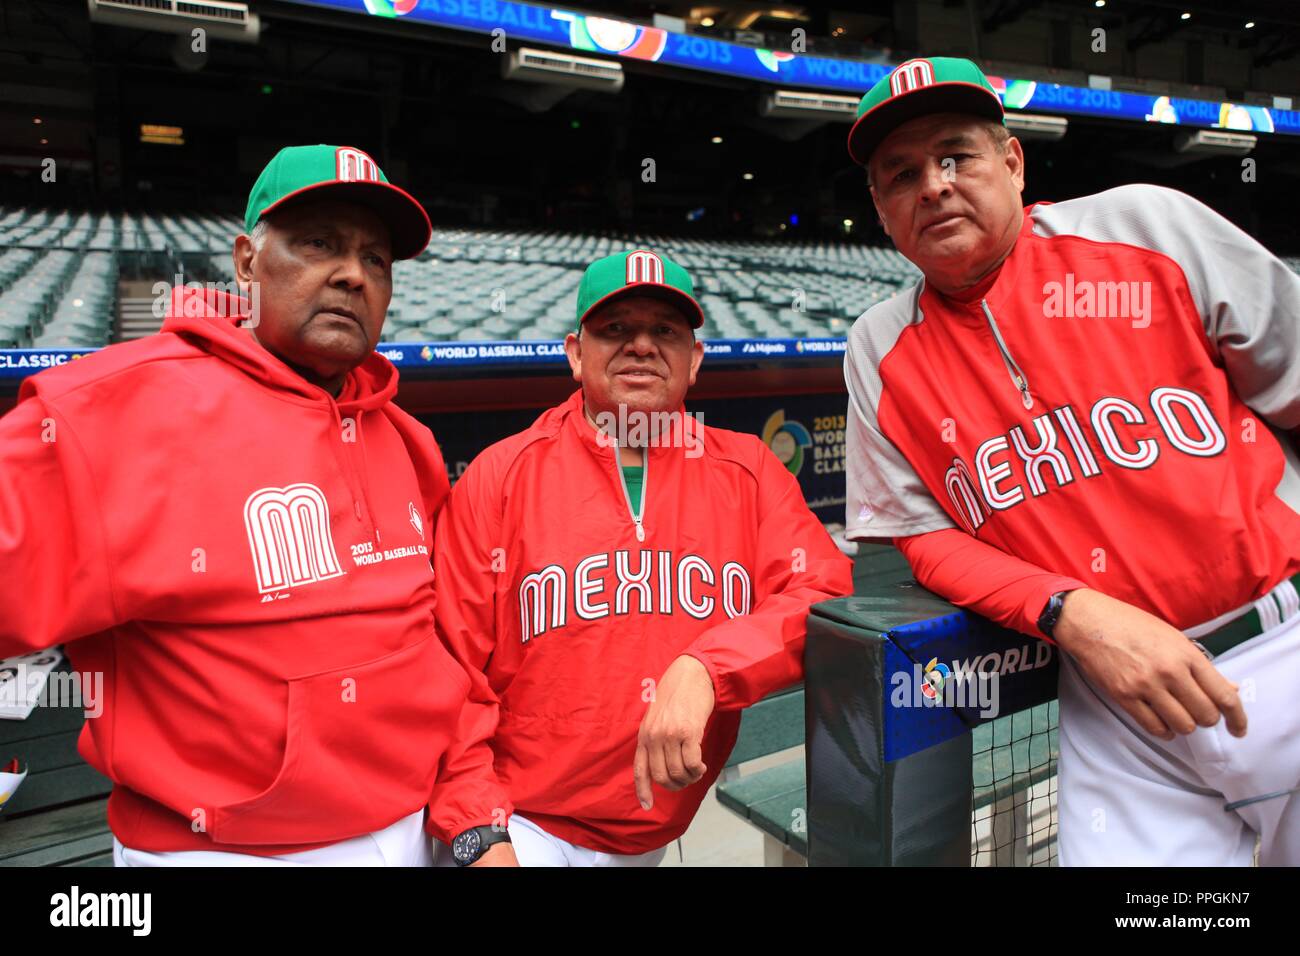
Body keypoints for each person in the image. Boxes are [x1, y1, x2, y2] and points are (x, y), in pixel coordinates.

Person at [842, 56, 1300, 866]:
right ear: (881, 209)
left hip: (1281, 639)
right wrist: (1069, 610)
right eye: (901, 174)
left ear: (1013, 162)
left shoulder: (1144, 225)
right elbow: (919, 536)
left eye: (957, 155)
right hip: (1117, 710)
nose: (935, 185)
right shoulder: (876, 347)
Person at [0, 144, 478, 866]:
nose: (354, 274)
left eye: (376, 260)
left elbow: (442, 655)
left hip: (419, 827)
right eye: (319, 242)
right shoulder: (111, 412)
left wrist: (475, 821)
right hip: (230, 851)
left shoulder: (405, 437)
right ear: (248, 260)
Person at [426, 249, 854, 866]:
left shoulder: (749, 471)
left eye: (665, 331)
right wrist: (477, 831)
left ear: (695, 361)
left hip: (654, 835)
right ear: (575, 354)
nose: (641, 346)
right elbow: (449, 672)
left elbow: (822, 591)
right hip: (523, 828)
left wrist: (707, 667)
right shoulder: (500, 476)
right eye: (616, 329)